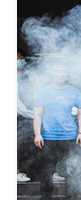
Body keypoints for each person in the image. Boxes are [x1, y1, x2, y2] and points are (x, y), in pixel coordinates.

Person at [32, 61, 81, 200]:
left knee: (71, 170)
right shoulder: (43, 92)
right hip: (48, 137)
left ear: (67, 74)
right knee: (46, 171)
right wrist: (37, 134)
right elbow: (37, 114)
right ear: (52, 73)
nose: (61, 74)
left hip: (70, 136)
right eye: (58, 71)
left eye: (64, 72)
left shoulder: (74, 92)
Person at [17, 48, 39, 182]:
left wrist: (37, 111)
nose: (18, 60)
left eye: (20, 57)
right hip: (19, 115)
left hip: (34, 114)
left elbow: (38, 93)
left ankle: (44, 172)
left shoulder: (32, 75)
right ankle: (16, 172)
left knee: (38, 143)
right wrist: (30, 113)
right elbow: (16, 102)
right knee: (16, 144)